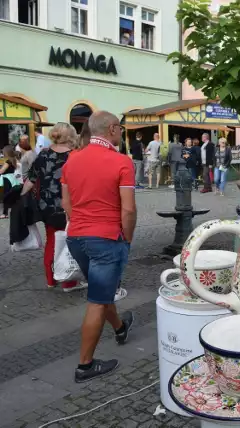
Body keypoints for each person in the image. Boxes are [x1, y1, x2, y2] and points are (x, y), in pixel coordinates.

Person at [61, 111, 136, 383]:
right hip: (106, 237)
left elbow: (66, 204)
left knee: (100, 290)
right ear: (113, 129)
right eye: (120, 129)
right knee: (97, 301)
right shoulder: (121, 161)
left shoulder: (72, 160)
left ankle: (119, 327)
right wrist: (127, 237)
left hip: (77, 237)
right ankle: (85, 365)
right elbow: (128, 210)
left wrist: (80, 224)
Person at [19, 123, 84, 291]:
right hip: (71, 204)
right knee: (70, 240)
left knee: (52, 241)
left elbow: (31, 179)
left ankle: (50, 279)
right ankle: (69, 281)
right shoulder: (75, 155)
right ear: (70, 135)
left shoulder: (43, 154)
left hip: (47, 206)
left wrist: (22, 198)